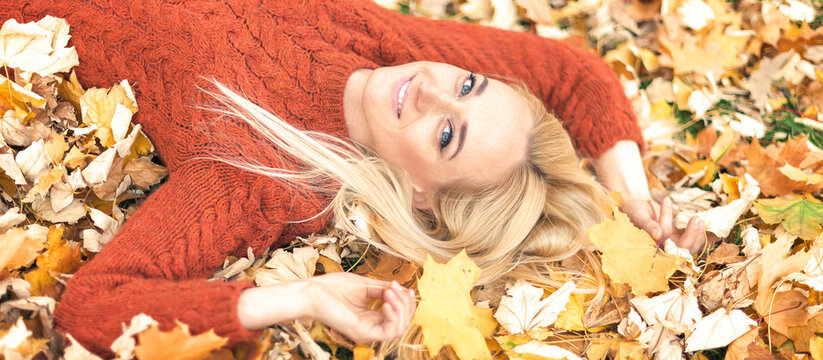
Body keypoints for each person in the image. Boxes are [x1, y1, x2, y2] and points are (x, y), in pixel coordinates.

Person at [0, 0, 705, 356]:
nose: (432, 91)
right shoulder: (384, 45)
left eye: (447, 135)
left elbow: (94, 306)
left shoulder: (266, 174)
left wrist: (299, 297)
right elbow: (573, 72)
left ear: (420, 193)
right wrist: (634, 202)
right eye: (467, 83)